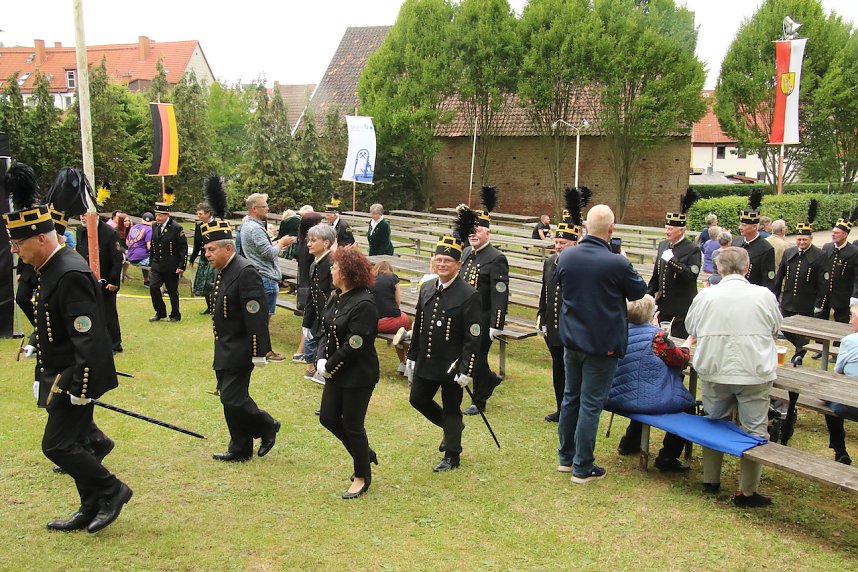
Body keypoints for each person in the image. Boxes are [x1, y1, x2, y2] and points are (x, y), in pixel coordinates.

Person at [4, 193, 132, 533]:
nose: (15, 249)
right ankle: (90, 505)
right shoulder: (49, 268)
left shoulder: (69, 271)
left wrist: (81, 386)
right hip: (60, 371)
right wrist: (35, 343)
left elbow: (87, 336)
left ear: (41, 238)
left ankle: (112, 489)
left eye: (19, 242)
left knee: (57, 445)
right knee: (75, 443)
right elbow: (53, 322)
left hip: (74, 376)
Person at [556, 204, 648, 483]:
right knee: (590, 404)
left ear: (585, 227)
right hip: (602, 343)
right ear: (611, 229)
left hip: (572, 340)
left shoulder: (567, 256)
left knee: (571, 397)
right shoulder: (616, 262)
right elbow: (639, 291)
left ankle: (566, 457)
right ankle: (582, 466)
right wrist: (624, 260)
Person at [685, 247, 782, 507]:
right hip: (753, 371)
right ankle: (746, 491)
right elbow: (776, 327)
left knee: (714, 420)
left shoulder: (707, 295)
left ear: (719, 269)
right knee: (754, 429)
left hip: (715, 368)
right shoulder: (764, 296)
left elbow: (691, 327)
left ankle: (711, 480)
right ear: (747, 267)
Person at [407, 208, 482, 472]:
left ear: (457, 265)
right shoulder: (427, 287)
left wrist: (467, 368)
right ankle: (452, 429)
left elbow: (474, 337)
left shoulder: (469, 294)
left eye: (447, 262)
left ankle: (452, 454)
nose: (441, 265)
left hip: (452, 365)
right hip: (428, 360)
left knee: (452, 408)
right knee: (417, 399)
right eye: (438, 260)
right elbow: (420, 324)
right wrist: (412, 355)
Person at [202, 219, 281, 462]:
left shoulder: (244, 271)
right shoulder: (224, 270)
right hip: (224, 346)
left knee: (232, 397)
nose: (207, 255)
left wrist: (259, 352)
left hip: (241, 348)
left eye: (211, 249)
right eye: (206, 250)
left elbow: (256, 315)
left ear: (228, 248)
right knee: (228, 400)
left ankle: (267, 425)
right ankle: (240, 447)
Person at [317, 248, 380, 498]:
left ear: (346, 272)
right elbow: (326, 329)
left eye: (334, 267)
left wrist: (329, 365)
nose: (331, 271)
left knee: (353, 426)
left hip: (358, 375)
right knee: (328, 418)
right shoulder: (337, 296)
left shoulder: (364, 303)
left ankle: (362, 475)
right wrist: (320, 356)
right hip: (336, 371)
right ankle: (364, 452)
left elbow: (355, 344)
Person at [612, 295, 695, 472]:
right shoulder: (656, 338)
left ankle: (630, 442)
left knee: (642, 389)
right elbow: (680, 359)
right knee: (688, 405)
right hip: (642, 399)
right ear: (651, 314)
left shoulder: (618, 330)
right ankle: (668, 456)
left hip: (616, 395)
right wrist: (688, 343)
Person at [538, 187, 587, 422]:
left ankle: (573, 410)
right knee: (558, 370)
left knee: (574, 373)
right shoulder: (550, 262)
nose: (558, 246)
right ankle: (561, 407)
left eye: (563, 243)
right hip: (554, 327)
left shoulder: (582, 264)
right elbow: (545, 291)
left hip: (574, 329)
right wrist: (541, 316)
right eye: (556, 241)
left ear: (574, 243)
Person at [460, 186, 509, 415]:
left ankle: (479, 400)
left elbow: (500, 292)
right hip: (464, 315)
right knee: (470, 356)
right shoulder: (466, 253)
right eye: (470, 230)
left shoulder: (496, 258)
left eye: (477, 230)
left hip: (483, 317)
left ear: (488, 233)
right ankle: (489, 379)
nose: (473, 234)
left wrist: (496, 324)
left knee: (477, 358)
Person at [240, 193, 294, 361]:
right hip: (265, 277)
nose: (268, 208)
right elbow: (268, 253)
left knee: (260, 317)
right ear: (255, 209)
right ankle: (265, 351)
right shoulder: (255, 228)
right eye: (265, 206)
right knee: (263, 319)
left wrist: (276, 245)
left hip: (260, 275)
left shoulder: (248, 225)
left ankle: (258, 349)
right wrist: (281, 244)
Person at [774, 201, 824, 366]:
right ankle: (801, 348)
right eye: (799, 239)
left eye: (804, 239)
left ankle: (798, 356)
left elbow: (822, 282)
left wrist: (819, 304)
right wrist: (774, 295)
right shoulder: (789, 252)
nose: (801, 242)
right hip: (788, 299)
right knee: (786, 328)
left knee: (802, 331)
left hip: (806, 300)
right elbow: (780, 276)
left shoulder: (819, 255)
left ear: (811, 238)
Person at [647, 191, 701, 339]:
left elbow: (691, 275)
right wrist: (648, 293)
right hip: (663, 306)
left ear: (681, 230)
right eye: (666, 227)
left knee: (677, 343)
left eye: (670, 229)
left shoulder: (692, 249)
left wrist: (673, 262)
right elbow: (657, 275)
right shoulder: (663, 245)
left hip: (681, 308)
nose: (667, 232)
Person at [76, 215, 124, 353]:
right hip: (87, 278)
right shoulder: (80, 230)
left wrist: (113, 281)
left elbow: (116, 258)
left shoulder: (109, 232)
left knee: (108, 313)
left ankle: (115, 344)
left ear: (95, 215)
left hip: (106, 279)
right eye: (81, 215)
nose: (83, 218)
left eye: (85, 215)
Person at [302, 223, 336, 383]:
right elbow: (312, 295)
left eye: (313, 240)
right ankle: (313, 368)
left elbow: (334, 295)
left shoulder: (332, 264)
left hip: (330, 318)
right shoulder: (314, 264)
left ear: (326, 243)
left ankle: (324, 371)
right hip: (319, 316)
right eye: (309, 240)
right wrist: (307, 321)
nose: (309, 243)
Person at [815, 210, 858, 326]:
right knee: (820, 321)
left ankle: (839, 344)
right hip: (825, 294)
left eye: (837, 233)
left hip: (842, 294)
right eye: (833, 232)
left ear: (845, 234)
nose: (833, 235)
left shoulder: (854, 251)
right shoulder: (827, 247)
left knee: (841, 321)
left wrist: (855, 295)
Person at [148, 201, 187, 322]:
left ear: (167, 215)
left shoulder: (176, 228)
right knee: (153, 287)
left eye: (160, 215)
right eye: (157, 215)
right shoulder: (155, 226)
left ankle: (175, 314)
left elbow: (183, 248)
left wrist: (182, 265)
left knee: (172, 291)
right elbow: (153, 245)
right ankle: (160, 312)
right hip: (157, 264)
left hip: (171, 265)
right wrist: (151, 262)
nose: (158, 217)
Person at [371, 261, 412, 372]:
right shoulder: (393, 278)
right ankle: (407, 363)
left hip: (372, 323)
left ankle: (403, 363)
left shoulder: (369, 280)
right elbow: (398, 301)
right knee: (407, 324)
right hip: (388, 321)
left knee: (399, 331)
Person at [292, 211, 323, 362]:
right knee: (311, 321)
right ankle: (301, 353)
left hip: (303, 284)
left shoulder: (302, 241)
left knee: (310, 320)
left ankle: (302, 352)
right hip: (309, 285)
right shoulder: (310, 245)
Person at [829, 304, 858, 464]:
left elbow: (837, 372)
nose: (849, 322)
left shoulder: (849, 341)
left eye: (852, 317)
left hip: (849, 404)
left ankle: (840, 450)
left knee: (827, 397)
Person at [732, 190, 776, 292]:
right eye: (741, 224)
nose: (740, 227)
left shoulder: (766, 248)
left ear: (754, 227)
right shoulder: (736, 242)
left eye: (744, 225)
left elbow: (768, 280)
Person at [190, 202, 217, 315]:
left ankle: (216, 307)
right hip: (204, 259)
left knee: (213, 284)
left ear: (208, 213)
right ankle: (209, 307)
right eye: (198, 213)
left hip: (215, 259)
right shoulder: (199, 226)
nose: (198, 216)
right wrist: (192, 259)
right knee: (203, 285)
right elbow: (197, 244)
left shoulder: (217, 225)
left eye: (200, 213)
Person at [126, 212, 153, 286]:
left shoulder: (133, 227)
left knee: (146, 257)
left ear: (142, 219)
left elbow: (127, 242)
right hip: (139, 259)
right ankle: (153, 283)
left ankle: (146, 280)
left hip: (129, 256)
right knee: (157, 261)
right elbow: (149, 247)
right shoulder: (149, 230)